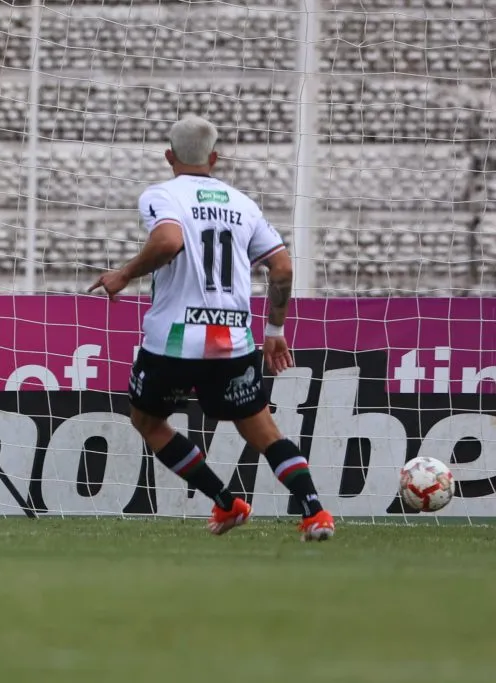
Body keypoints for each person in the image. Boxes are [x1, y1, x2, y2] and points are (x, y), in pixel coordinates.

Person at [89, 115, 335, 541]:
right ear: (215, 158)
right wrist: (274, 330)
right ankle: (315, 513)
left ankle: (226, 502)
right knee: (262, 430)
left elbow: (168, 241)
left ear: (169, 156)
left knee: (147, 421)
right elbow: (281, 267)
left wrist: (125, 273)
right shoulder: (243, 204)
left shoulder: (161, 194)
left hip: (176, 338)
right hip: (232, 337)